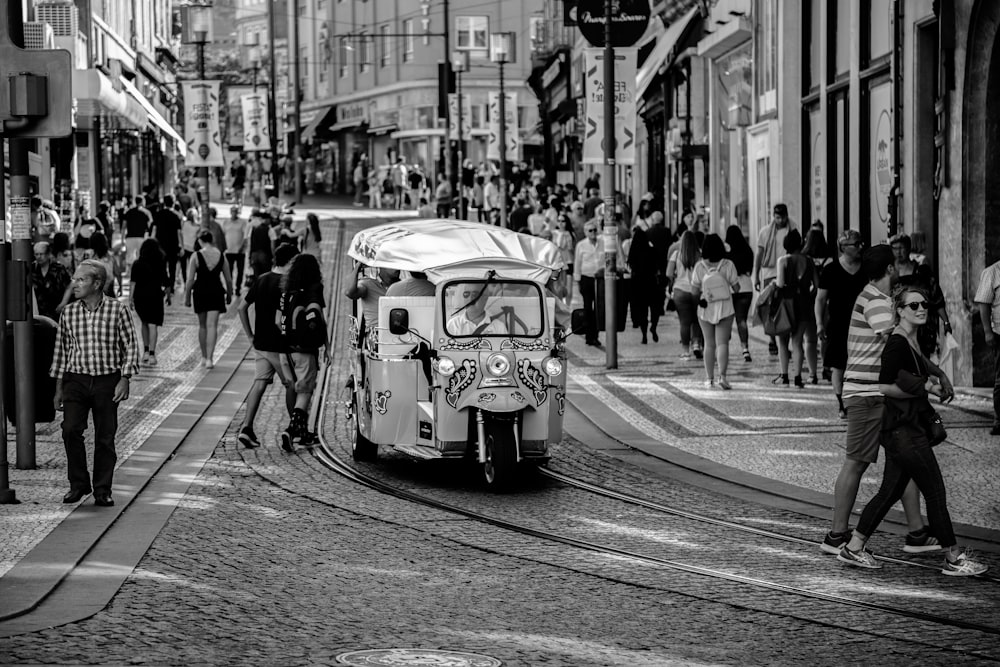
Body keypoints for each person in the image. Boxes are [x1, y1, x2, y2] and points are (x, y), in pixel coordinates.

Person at [836, 286, 986, 577]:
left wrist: (938, 374)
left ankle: (854, 547)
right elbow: (884, 384)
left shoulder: (909, 340)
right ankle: (954, 558)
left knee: (888, 492)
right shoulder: (896, 342)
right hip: (903, 431)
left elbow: (917, 364)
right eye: (914, 305)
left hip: (901, 429)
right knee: (935, 492)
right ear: (900, 310)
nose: (921, 309)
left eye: (924, 304)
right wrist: (926, 387)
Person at [821, 245, 952, 556]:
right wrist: (933, 376)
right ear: (891, 269)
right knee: (856, 462)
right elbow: (898, 343)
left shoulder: (876, 298)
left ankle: (917, 532)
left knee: (903, 461)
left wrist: (934, 372)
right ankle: (837, 536)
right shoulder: (877, 302)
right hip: (867, 394)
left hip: (876, 395)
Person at [51, 259, 141, 507]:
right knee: (70, 430)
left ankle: (102, 489)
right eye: (75, 279)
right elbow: (61, 352)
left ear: (97, 283)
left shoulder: (117, 310)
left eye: (81, 279)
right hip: (76, 380)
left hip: (106, 381)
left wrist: (125, 378)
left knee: (105, 437)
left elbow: (130, 346)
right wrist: (59, 388)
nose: (75, 284)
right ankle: (79, 485)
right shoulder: (69, 313)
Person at [237, 242, 299, 448]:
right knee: (292, 384)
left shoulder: (261, 279)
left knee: (260, 382)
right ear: (290, 262)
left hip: (260, 343)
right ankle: (294, 429)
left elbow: (242, 307)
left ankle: (247, 427)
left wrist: (249, 335)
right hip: (279, 346)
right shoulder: (287, 284)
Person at [278, 253, 328, 450]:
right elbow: (319, 320)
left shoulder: (286, 291)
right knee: (305, 392)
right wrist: (328, 348)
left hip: (285, 350)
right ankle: (291, 430)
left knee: (295, 389)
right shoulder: (314, 289)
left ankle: (303, 432)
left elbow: (279, 319)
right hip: (305, 351)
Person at [815, 230, 868, 418]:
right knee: (839, 365)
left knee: (862, 364)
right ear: (843, 248)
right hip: (838, 325)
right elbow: (820, 300)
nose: (861, 246)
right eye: (856, 244)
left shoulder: (867, 268)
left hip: (864, 325)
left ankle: (859, 400)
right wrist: (819, 324)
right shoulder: (831, 270)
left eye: (861, 243)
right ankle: (841, 403)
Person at [691, 233, 740, 389]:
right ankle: (723, 377)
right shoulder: (728, 264)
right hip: (725, 307)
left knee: (709, 344)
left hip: (705, 308)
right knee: (722, 343)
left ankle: (708, 378)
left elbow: (693, 290)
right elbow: (737, 288)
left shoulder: (699, 266)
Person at [891, 233, 951, 358]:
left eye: (901, 248)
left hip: (922, 328)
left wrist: (946, 322)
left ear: (908, 248)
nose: (898, 252)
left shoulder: (922, 272)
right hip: (897, 326)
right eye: (895, 248)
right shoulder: (889, 275)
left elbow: (937, 298)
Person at [184, 230, 234, 369]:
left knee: (202, 326)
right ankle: (210, 359)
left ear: (200, 240)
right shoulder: (221, 255)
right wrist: (230, 294)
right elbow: (228, 280)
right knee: (212, 325)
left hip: (200, 291)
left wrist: (187, 297)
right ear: (211, 240)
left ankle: (204, 357)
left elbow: (190, 280)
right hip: (216, 291)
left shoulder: (196, 255)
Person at [774, 229, 817, 387]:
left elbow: (779, 284)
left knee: (783, 342)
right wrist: (806, 295)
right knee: (798, 342)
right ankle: (798, 378)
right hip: (804, 304)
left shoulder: (783, 261)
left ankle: (784, 376)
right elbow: (816, 286)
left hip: (786, 304)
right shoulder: (809, 261)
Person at [753, 203, 792, 356]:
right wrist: (756, 275)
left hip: (787, 274)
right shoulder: (765, 232)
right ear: (773, 216)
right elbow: (759, 254)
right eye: (777, 217)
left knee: (784, 309)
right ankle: (772, 340)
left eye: (782, 217)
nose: (780, 220)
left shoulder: (793, 229)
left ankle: (783, 342)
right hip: (769, 274)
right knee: (769, 309)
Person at [129, 238, 170, 366]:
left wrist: (130, 298)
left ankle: (145, 351)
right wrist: (168, 295)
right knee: (153, 325)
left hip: (140, 297)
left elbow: (133, 282)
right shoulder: (161, 263)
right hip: (156, 296)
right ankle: (152, 354)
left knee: (144, 323)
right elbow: (166, 280)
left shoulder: (137, 264)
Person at [666, 231, 704, 360]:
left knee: (684, 322)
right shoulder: (700, 255)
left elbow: (668, 273)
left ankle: (685, 351)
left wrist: (676, 278)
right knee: (697, 319)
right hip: (696, 290)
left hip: (680, 291)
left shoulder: (676, 254)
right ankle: (697, 344)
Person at [974, 255, 1000, 435]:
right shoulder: (992, 272)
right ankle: (999, 419)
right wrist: (987, 331)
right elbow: (983, 304)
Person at [345, 263, 400, 340]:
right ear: (382, 265)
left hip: (400, 334)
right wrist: (357, 268)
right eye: (392, 263)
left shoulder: (403, 286)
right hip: (377, 337)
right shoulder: (368, 284)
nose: (398, 267)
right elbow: (349, 293)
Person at [627, 224, 662, 344]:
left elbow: (631, 268)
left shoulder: (633, 253)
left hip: (638, 284)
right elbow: (658, 265)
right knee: (654, 308)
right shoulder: (651, 251)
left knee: (642, 311)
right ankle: (654, 326)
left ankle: (644, 335)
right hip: (651, 283)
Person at [725, 225, 755, 362]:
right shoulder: (748, 251)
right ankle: (745, 349)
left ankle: (723, 346)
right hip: (746, 288)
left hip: (731, 289)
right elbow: (750, 270)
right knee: (741, 319)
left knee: (727, 319)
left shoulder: (728, 255)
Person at [574, 220, 603, 347]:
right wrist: (578, 279)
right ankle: (588, 335)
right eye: (590, 230)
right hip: (586, 278)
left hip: (600, 279)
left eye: (595, 230)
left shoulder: (603, 243)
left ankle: (595, 336)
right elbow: (577, 262)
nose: (593, 233)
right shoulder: (581, 245)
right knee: (587, 307)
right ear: (586, 232)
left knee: (598, 307)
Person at [151, 194, 184, 295]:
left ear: (164, 203)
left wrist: (152, 242)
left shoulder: (158, 214)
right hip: (173, 246)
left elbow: (154, 230)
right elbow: (179, 233)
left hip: (160, 245)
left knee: (160, 266)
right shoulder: (176, 216)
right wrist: (181, 246)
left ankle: (163, 285)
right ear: (173, 203)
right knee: (172, 268)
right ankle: (172, 287)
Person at [32, 241, 72, 321]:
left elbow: (69, 285)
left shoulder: (59, 268)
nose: (39, 257)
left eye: (41, 254)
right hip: (38, 311)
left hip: (56, 310)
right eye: (36, 254)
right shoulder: (32, 268)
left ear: (48, 254)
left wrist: (63, 303)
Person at [223, 205, 249, 294]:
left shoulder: (242, 222)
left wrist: (242, 247)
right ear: (230, 212)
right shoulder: (226, 222)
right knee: (228, 271)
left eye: (235, 211)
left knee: (240, 271)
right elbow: (223, 235)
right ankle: (229, 288)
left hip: (240, 251)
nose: (234, 213)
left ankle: (238, 288)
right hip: (229, 250)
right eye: (232, 211)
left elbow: (245, 237)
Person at [122, 195, 151, 269]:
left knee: (130, 257)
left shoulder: (128, 212)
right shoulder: (146, 212)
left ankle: (131, 274)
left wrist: (122, 239)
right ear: (142, 201)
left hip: (130, 237)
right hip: (141, 237)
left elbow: (124, 226)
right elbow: (150, 225)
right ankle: (140, 274)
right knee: (141, 257)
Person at [90, 232, 120, 297]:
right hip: (109, 290)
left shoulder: (90, 256)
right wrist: (120, 286)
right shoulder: (111, 256)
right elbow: (117, 273)